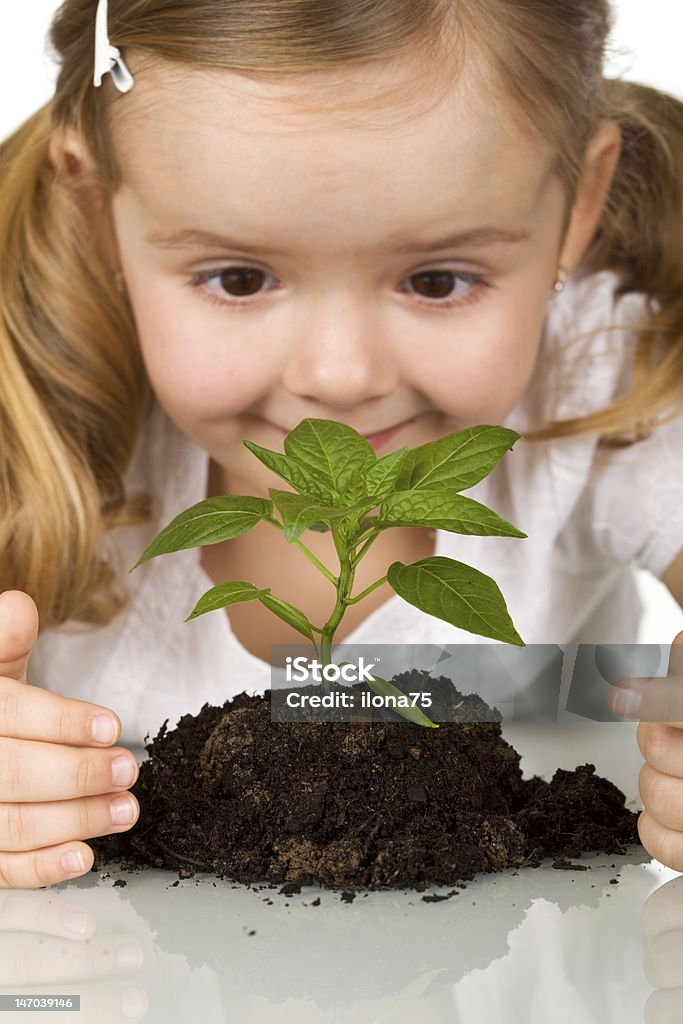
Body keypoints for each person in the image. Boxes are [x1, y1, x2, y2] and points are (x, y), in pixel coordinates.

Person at [0, 0, 682, 890]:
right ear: (96, 205)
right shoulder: (41, 396)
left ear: (579, 202)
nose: (339, 376)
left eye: (437, 280)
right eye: (238, 278)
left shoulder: (601, 378)